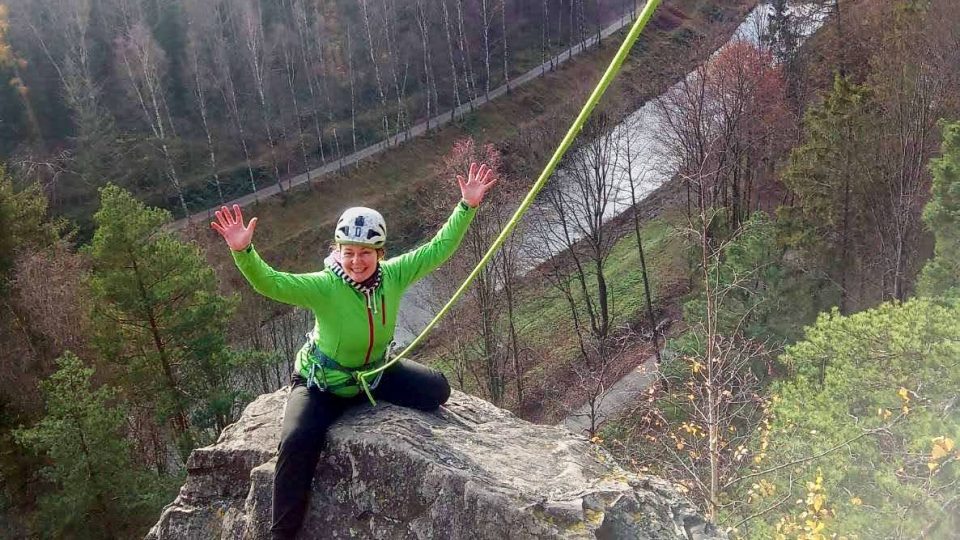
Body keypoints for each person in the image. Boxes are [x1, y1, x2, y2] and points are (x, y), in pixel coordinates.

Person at [211, 162, 497, 539]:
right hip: (321, 385)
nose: (357, 261)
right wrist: (244, 252)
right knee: (296, 441)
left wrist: (467, 207)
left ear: (380, 253)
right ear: (337, 250)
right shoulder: (323, 286)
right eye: (349, 252)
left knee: (437, 390)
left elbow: (438, 249)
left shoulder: (394, 274)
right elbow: (272, 284)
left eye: (366, 253)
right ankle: (282, 534)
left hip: (373, 375)